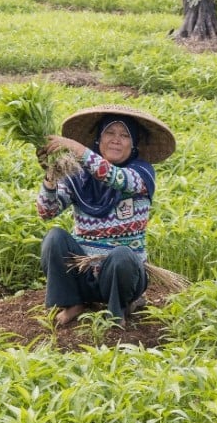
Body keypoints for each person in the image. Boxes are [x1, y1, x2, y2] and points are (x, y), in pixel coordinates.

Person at [36, 104, 176, 326]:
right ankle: (73, 302)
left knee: (121, 255)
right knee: (54, 238)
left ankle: (119, 308)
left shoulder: (141, 172)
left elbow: (115, 177)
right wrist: (50, 177)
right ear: (99, 140)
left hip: (123, 275)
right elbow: (46, 211)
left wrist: (78, 150)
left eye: (124, 135)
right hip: (84, 269)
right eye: (109, 133)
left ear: (133, 144)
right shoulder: (78, 175)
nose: (116, 139)